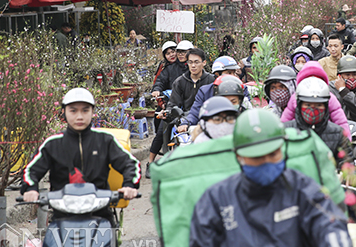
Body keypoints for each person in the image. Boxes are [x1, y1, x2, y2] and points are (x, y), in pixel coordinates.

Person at [183, 109, 356, 247]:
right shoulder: (217, 198)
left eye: (273, 154)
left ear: (282, 149)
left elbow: (329, 225)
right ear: (239, 156)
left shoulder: (300, 187)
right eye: (257, 157)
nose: (266, 162)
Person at [21, 88, 140, 221]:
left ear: (92, 112)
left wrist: (129, 185)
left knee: (107, 240)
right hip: (62, 217)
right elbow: (31, 170)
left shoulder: (105, 140)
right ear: (64, 112)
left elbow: (130, 163)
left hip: (100, 216)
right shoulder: (53, 144)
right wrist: (31, 188)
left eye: (85, 110)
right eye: (73, 110)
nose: (79, 116)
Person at [146, 47, 214, 178]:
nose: (193, 65)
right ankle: (153, 163)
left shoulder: (211, 81)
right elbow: (173, 104)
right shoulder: (180, 81)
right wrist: (169, 113)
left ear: (204, 63)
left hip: (206, 119)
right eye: (190, 62)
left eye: (196, 62)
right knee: (162, 132)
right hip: (183, 118)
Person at [283, 77, 352, 164]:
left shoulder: (337, 134)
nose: (312, 110)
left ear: (326, 107)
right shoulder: (286, 132)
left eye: (319, 105)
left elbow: (347, 165)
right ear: (299, 106)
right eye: (307, 105)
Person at [280, 61, 350, 137]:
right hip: (299, 136)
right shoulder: (295, 98)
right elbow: (286, 120)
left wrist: (345, 141)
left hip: (326, 136)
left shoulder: (329, 98)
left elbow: (341, 122)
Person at [181, 56, 242, 130]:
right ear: (217, 74)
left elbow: (247, 111)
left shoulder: (241, 89)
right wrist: (186, 124)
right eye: (229, 73)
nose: (233, 76)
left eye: (234, 73)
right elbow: (195, 112)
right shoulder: (205, 91)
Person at [329, 56, 356, 123]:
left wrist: (343, 91)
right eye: (347, 74)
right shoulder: (330, 88)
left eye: (354, 74)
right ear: (340, 76)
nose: (351, 78)